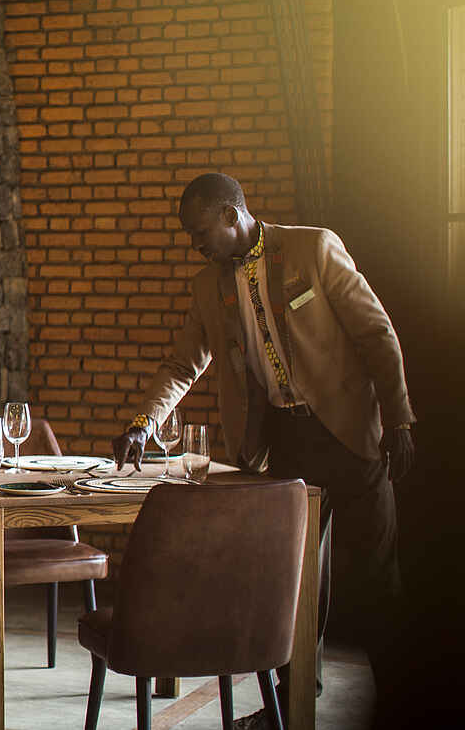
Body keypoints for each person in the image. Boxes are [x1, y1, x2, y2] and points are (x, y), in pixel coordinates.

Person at [112, 173, 413, 729]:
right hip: (286, 446)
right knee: (292, 585)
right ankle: (290, 708)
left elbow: (376, 333)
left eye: (200, 232)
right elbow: (182, 365)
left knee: (378, 580)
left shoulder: (314, 248)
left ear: (231, 215)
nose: (195, 245)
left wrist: (397, 416)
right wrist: (142, 422)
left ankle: (403, 702)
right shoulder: (208, 286)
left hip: (352, 437)